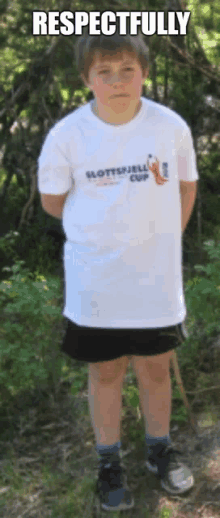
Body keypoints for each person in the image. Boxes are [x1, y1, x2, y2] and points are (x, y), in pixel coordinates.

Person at [37, 25, 198, 512]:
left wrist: (159, 237)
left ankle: (159, 450)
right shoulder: (67, 135)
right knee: (105, 373)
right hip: (97, 282)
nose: (118, 80)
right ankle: (108, 461)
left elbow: (185, 187)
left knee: (154, 370)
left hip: (156, 280)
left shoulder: (170, 126)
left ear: (144, 73)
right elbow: (51, 202)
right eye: (104, 71)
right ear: (87, 79)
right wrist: (103, 231)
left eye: (128, 68)